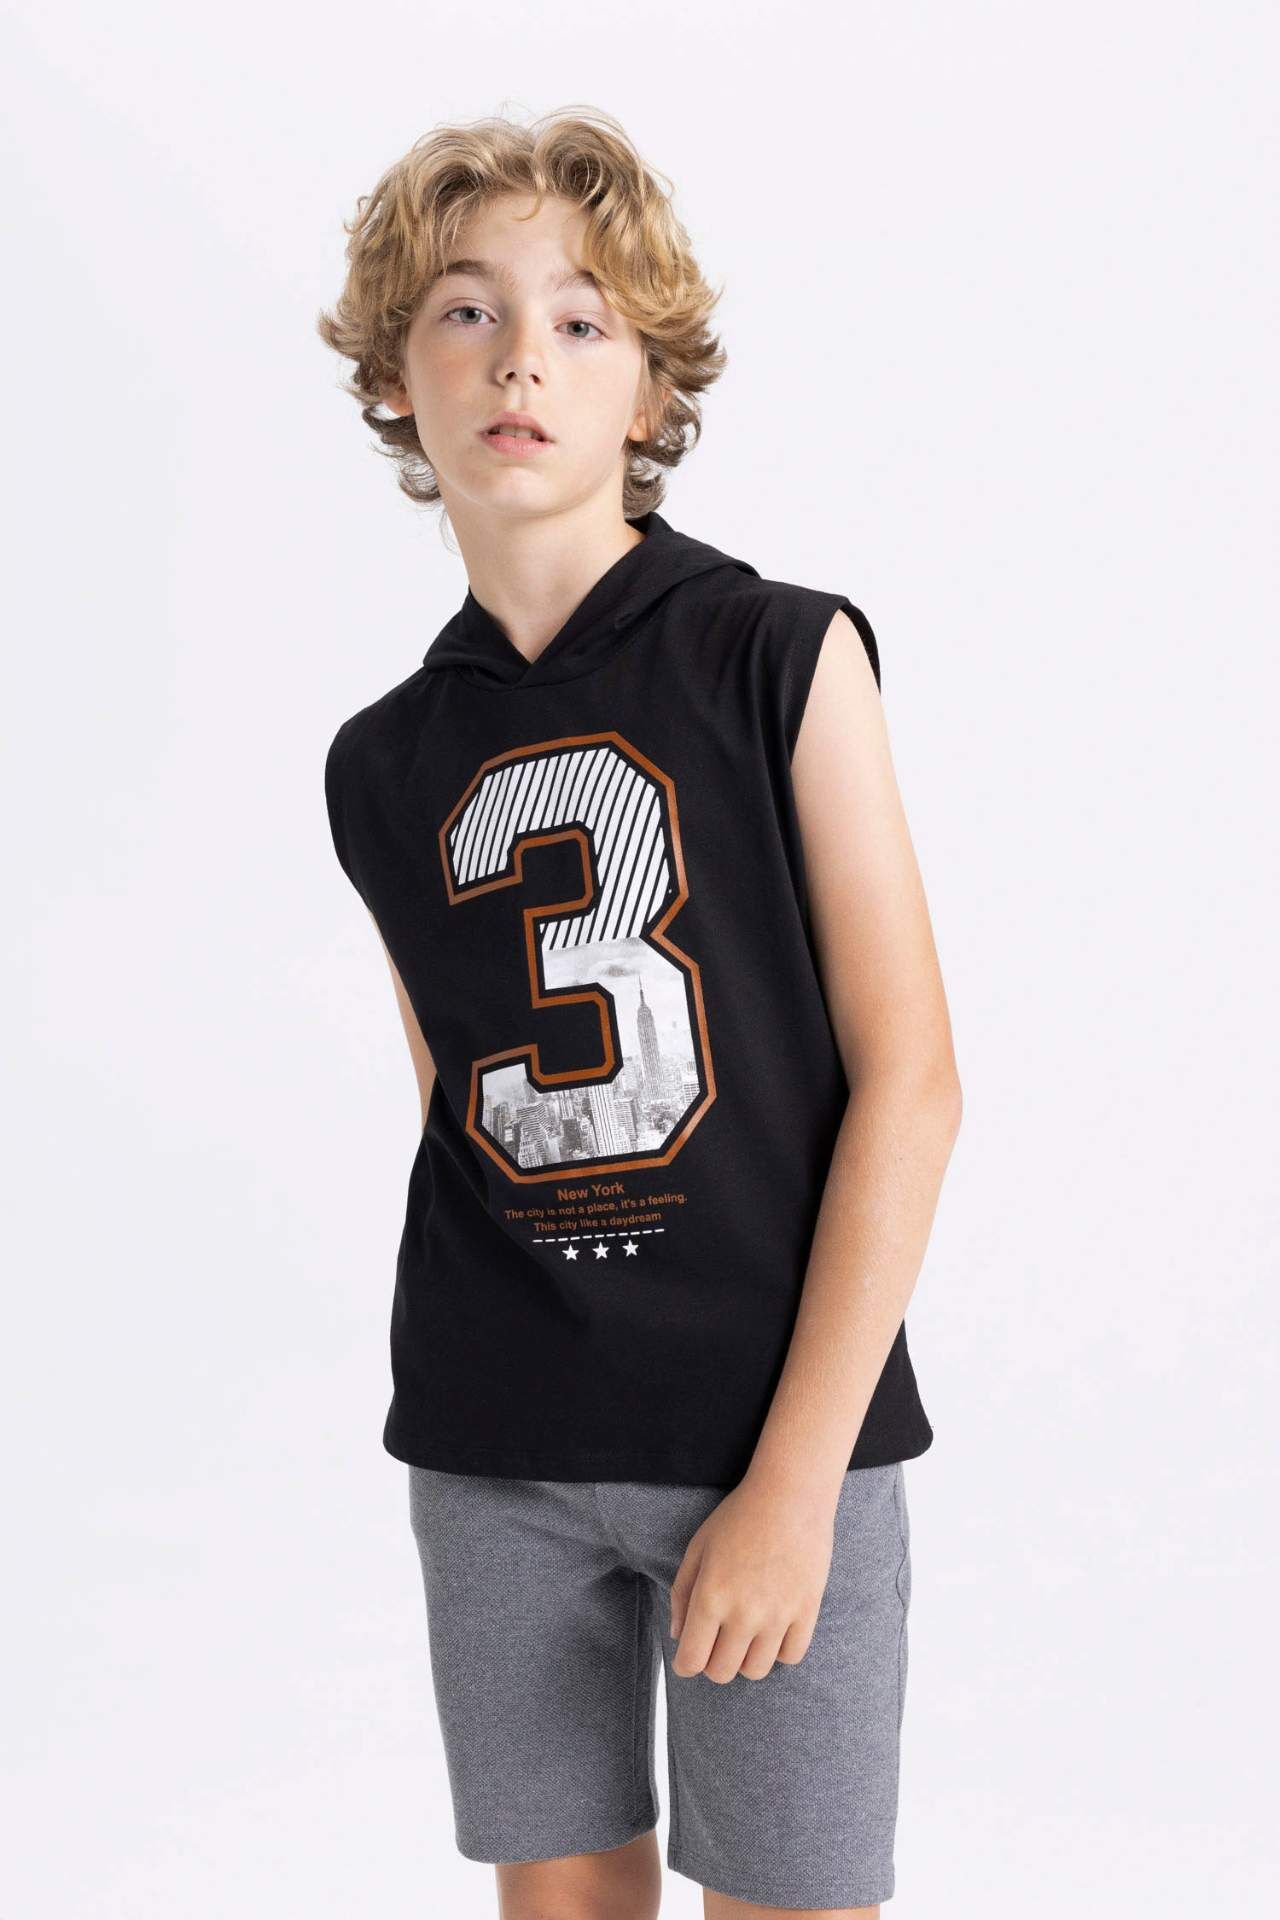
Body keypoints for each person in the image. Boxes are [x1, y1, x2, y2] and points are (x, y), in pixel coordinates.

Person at [317, 104, 961, 1920]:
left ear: (652, 389)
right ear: (396, 380)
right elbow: (459, 1101)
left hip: (771, 1430)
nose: (521, 355)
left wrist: (796, 1483)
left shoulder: (780, 652)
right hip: (495, 1440)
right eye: (465, 311)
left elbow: (912, 1080)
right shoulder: (381, 760)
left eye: (581, 319)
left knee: (796, 1897)